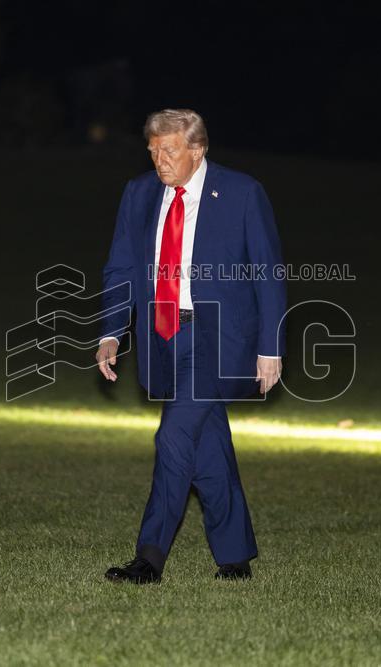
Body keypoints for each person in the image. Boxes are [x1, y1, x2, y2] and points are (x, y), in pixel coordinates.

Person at [95, 108, 286, 583]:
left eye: (170, 150)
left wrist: (270, 348)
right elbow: (121, 267)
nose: (160, 160)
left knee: (173, 437)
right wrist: (112, 332)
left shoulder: (242, 192)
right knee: (207, 446)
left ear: (197, 150)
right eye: (153, 151)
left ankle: (149, 558)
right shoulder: (139, 193)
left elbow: (268, 272)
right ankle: (235, 556)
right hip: (163, 335)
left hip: (216, 337)